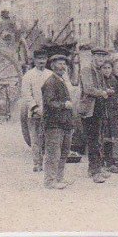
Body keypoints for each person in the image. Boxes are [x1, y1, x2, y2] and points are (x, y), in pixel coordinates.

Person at [40, 53, 75, 189]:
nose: (62, 67)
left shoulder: (61, 80)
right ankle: (50, 181)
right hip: (54, 124)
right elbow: (49, 102)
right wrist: (63, 105)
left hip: (64, 123)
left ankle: (59, 178)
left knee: (64, 152)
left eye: (64, 64)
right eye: (59, 64)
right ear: (53, 66)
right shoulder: (50, 82)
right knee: (53, 153)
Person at [79, 47, 111, 183]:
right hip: (89, 109)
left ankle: (94, 168)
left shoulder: (99, 71)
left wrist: (106, 90)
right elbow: (88, 89)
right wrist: (103, 93)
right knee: (93, 140)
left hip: (98, 107)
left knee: (98, 139)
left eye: (103, 58)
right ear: (93, 57)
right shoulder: (87, 70)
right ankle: (95, 171)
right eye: (98, 57)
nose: (101, 60)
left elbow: (99, 87)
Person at [22, 47, 50, 172]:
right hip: (34, 113)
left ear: (47, 60)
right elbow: (26, 94)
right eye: (39, 59)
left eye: (43, 59)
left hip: (49, 112)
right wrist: (35, 107)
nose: (41, 62)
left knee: (48, 138)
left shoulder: (50, 74)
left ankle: (48, 163)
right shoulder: (28, 76)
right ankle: (37, 163)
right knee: (35, 139)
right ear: (34, 60)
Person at [98, 59, 118, 173]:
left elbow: (117, 93)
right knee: (103, 136)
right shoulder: (99, 80)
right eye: (104, 68)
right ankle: (103, 161)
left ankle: (110, 160)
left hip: (113, 111)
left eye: (109, 68)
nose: (107, 70)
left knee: (112, 136)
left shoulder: (113, 79)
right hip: (103, 111)